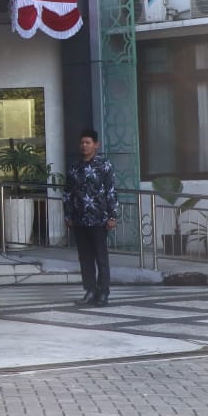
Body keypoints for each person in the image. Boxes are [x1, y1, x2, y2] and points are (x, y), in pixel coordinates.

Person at [63, 128, 118, 307]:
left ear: (96, 145)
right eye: (82, 143)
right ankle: (90, 290)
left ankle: (103, 292)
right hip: (79, 219)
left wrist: (112, 216)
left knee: (101, 257)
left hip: (99, 218)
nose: (84, 146)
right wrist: (68, 214)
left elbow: (111, 191)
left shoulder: (104, 165)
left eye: (88, 142)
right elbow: (68, 192)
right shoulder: (74, 167)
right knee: (85, 258)